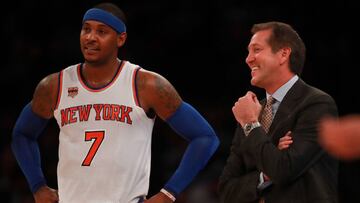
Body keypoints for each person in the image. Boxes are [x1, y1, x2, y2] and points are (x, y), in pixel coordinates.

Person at [11, 3, 219, 203]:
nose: (91, 37)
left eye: (102, 32)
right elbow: (22, 134)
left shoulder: (146, 85)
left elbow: (205, 138)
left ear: (121, 39)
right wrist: (37, 185)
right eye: (86, 29)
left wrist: (168, 194)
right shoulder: (55, 86)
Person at [218, 21, 339, 203]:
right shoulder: (251, 111)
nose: (248, 59)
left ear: (283, 54)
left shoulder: (317, 104)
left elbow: (283, 170)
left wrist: (251, 124)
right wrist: (264, 175)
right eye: (248, 52)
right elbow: (226, 191)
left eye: (256, 50)